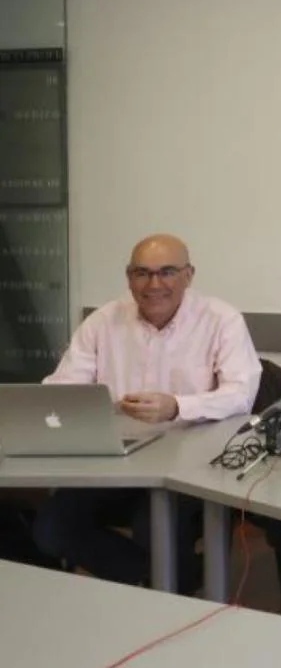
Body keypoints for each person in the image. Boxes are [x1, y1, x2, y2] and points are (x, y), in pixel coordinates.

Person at [32, 233, 260, 589]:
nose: (154, 284)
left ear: (188, 275)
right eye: (142, 273)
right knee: (51, 528)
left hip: (191, 467)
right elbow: (61, 391)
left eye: (167, 272)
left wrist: (177, 406)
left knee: (153, 527)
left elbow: (241, 395)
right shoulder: (103, 321)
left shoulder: (222, 320)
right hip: (114, 463)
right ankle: (165, 580)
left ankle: (164, 586)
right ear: (128, 277)